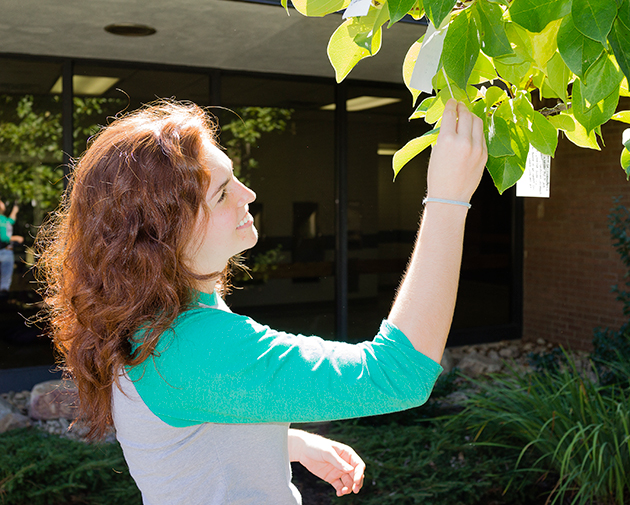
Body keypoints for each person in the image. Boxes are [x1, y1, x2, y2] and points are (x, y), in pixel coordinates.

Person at [37, 98, 486, 504]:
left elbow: (186, 425)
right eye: (222, 192)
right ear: (163, 236)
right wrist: (448, 198)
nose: (248, 195)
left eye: (235, 178)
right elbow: (396, 374)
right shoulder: (192, 344)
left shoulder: (154, 318)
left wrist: (290, 442)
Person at [0, 200, 24, 294]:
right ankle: (3, 293)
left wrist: (15, 210)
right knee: (6, 275)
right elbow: (4, 237)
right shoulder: (1, 219)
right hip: (4, 251)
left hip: (5, 251)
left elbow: (10, 221)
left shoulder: (3, 219)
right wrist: (16, 238)